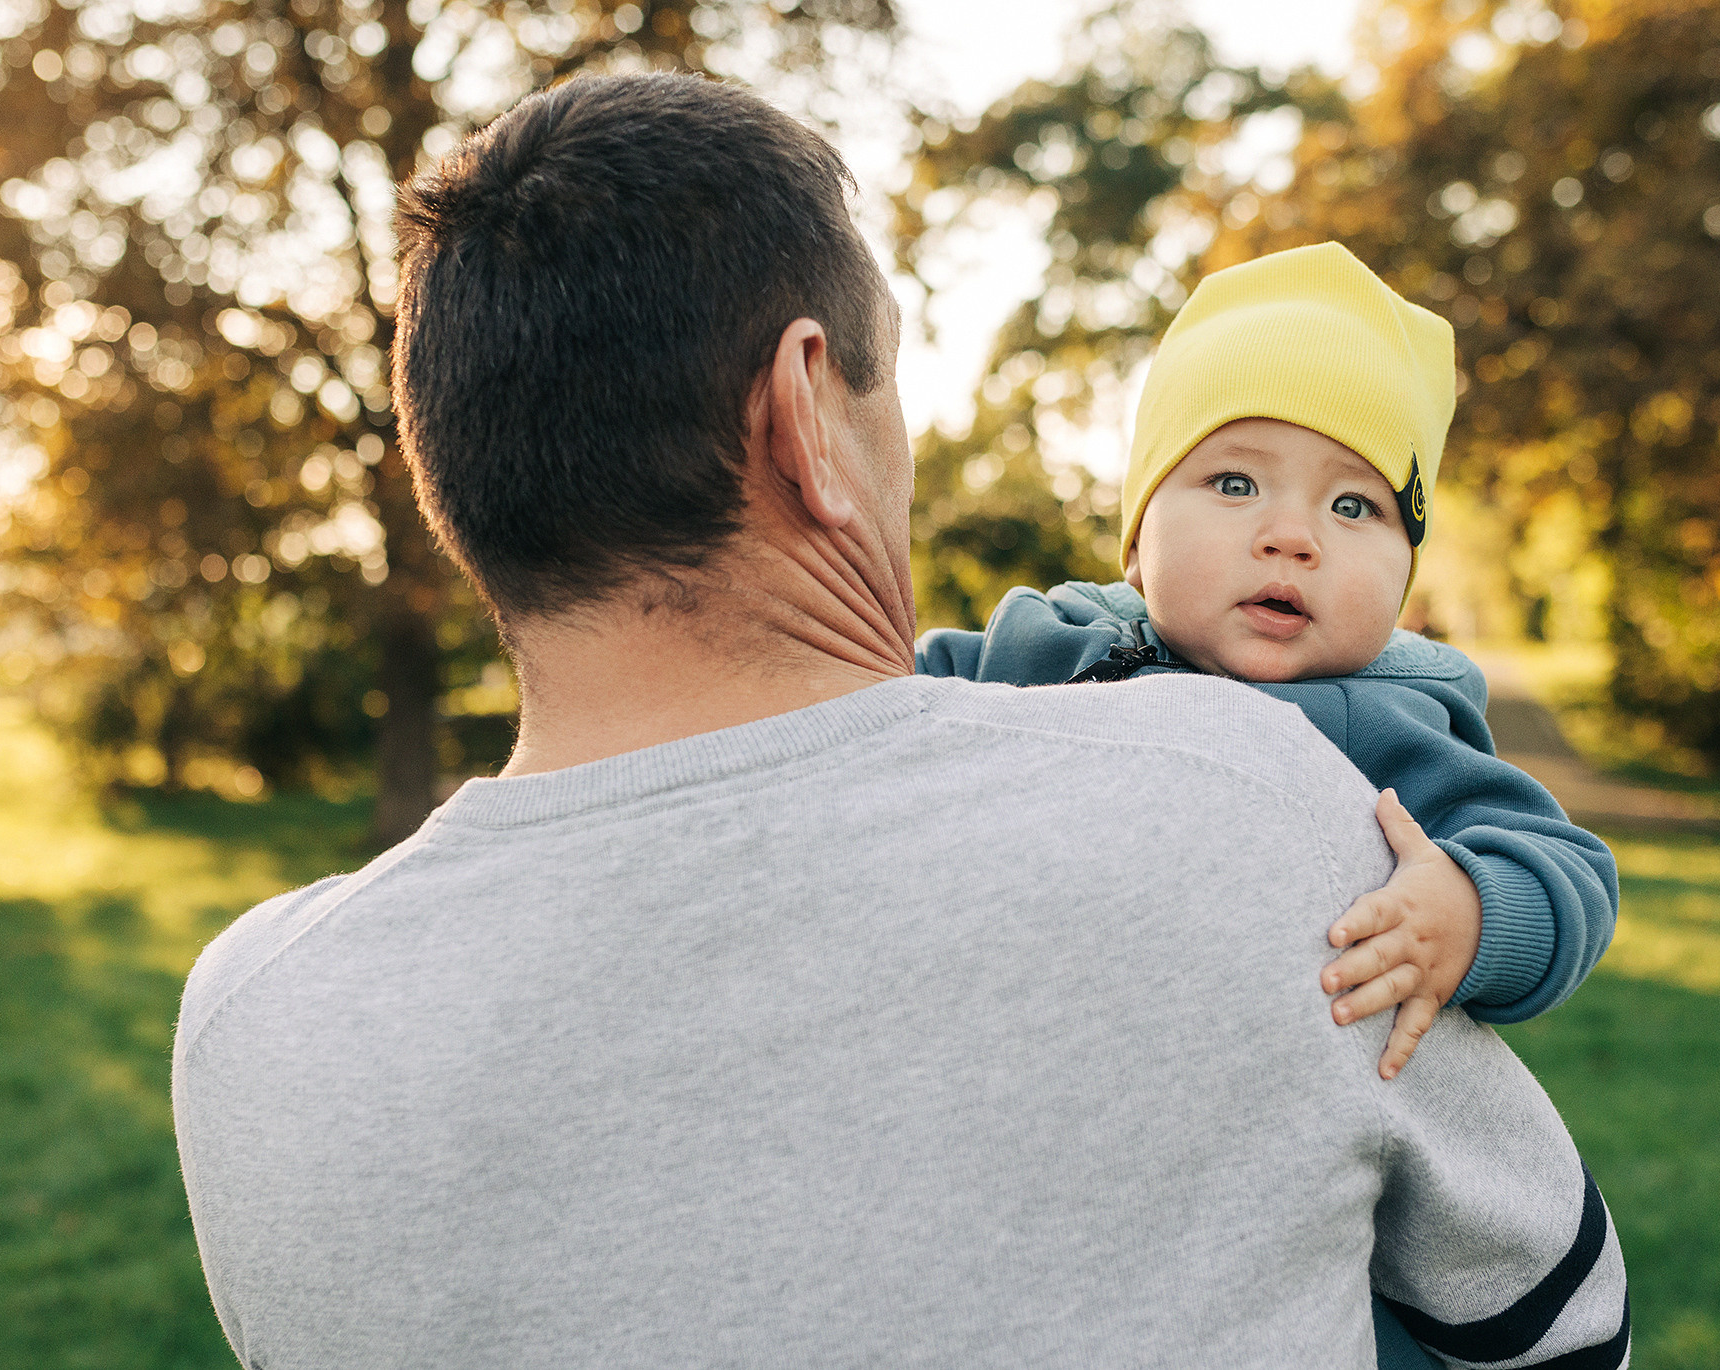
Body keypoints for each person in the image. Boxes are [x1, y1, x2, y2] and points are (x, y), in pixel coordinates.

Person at [171, 73, 1631, 1369]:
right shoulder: (1255, 808)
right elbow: (1560, 1324)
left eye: (1350, 504)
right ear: (809, 412)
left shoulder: (250, 1033)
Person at [917, 243, 1619, 1080]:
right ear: (1138, 542)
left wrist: (1465, 915)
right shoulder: (1045, 641)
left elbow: (1570, 872)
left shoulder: (1390, 720)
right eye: (1237, 484)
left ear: (1405, 579)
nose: (1293, 535)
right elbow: (871, 693)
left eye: (1353, 505)